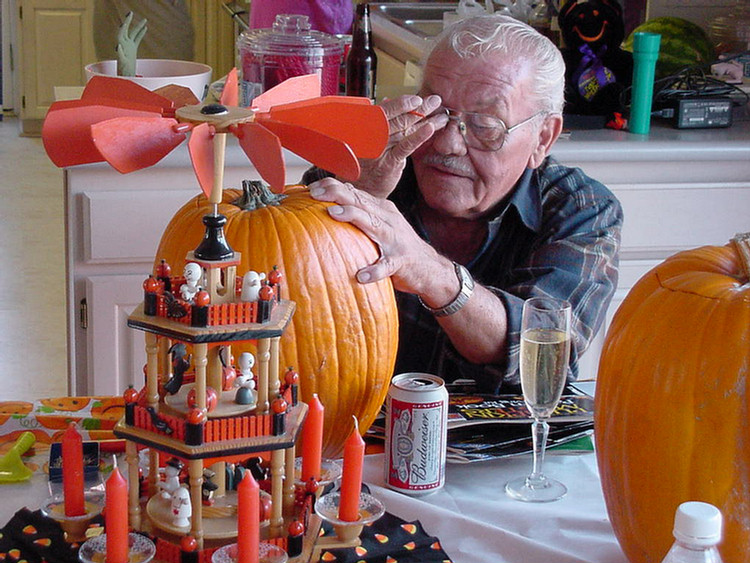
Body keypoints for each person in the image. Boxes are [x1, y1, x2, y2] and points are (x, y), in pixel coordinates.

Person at [307, 14, 623, 394]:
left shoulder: (582, 209)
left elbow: (542, 356)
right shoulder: (360, 169)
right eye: (436, 113)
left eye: (485, 126)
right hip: (357, 438)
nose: (446, 144)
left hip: (510, 451)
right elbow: (291, 312)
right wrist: (364, 198)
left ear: (543, 137)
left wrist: (432, 274)